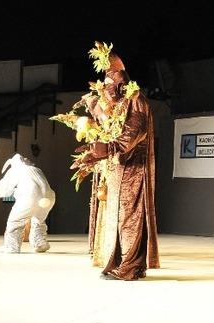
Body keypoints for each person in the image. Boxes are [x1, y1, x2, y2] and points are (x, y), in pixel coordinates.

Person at [64, 43, 160, 280]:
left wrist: (105, 148)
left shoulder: (136, 101)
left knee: (130, 217)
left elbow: (132, 134)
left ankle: (131, 266)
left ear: (120, 83)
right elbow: (111, 129)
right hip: (118, 167)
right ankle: (120, 262)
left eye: (109, 83)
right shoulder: (118, 105)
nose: (106, 88)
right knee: (117, 217)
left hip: (133, 169)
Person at [0, 153, 55, 253]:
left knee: (15, 221)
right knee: (38, 220)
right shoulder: (36, 169)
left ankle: (12, 247)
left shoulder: (15, 170)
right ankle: (40, 243)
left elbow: (4, 192)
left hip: (30, 196)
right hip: (49, 197)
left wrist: (12, 192)